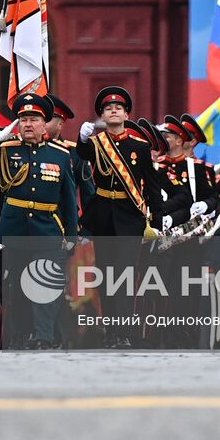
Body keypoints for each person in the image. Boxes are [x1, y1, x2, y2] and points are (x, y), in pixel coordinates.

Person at [0, 93, 78, 348]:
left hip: (47, 228)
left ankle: (43, 337)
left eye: (34, 119)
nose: (28, 124)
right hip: (14, 228)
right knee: (16, 288)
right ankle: (20, 336)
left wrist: (71, 236)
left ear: (44, 124)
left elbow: (69, 198)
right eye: (23, 119)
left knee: (45, 285)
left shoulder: (60, 154)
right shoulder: (6, 150)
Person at [75, 86, 159, 347]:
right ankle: (110, 330)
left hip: (130, 217)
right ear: (102, 115)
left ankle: (123, 332)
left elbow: (152, 186)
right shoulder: (97, 144)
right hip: (103, 217)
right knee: (107, 274)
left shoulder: (140, 147)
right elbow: (83, 154)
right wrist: (82, 138)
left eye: (118, 108)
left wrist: (155, 221)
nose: (113, 111)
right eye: (108, 108)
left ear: (126, 114)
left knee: (125, 276)